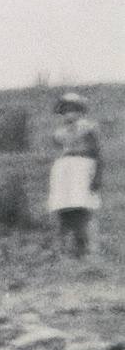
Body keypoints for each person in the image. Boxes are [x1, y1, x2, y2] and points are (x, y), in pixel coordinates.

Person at [47, 91, 104, 257]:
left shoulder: (89, 128)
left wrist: (97, 176)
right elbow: (61, 151)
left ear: (80, 110)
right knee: (64, 209)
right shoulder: (59, 133)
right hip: (64, 171)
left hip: (83, 168)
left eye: (73, 109)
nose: (69, 113)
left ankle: (89, 249)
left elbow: (98, 153)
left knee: (84, 208)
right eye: (65, 109)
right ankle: (63, 250)